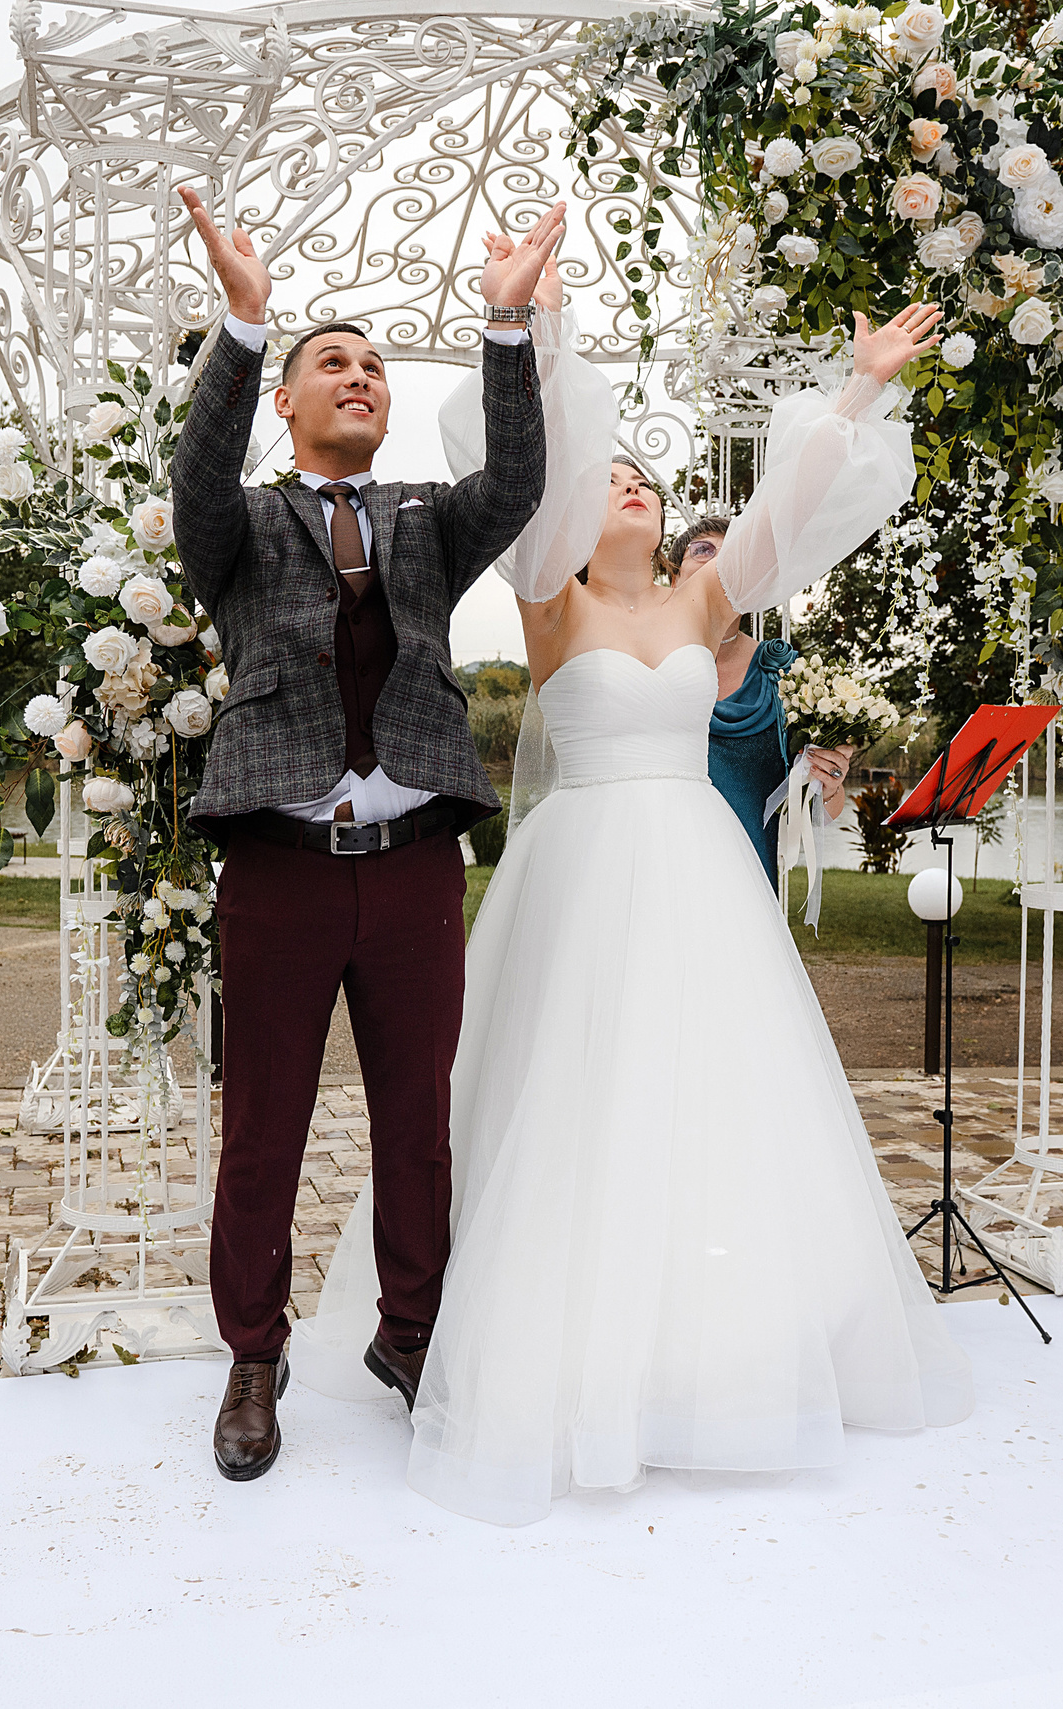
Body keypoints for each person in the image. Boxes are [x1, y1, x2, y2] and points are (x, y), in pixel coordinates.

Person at [298, 265, 970, 1526]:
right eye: (613, 475)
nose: (632, 487)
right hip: (583, 869)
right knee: (570, 1091)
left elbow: (787, 506)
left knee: (709, 1096)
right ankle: (541, 1345)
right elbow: (529, 475)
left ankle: (708, 1357)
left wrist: (855, 392)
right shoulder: (546, 600)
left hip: (696, 870)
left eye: (647, 483)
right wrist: (540, 340)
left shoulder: (703, 598)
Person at [168, 185, 560, 1482]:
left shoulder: (422, 526)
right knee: (262, 1127)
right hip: (276, 871)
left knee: (417, 1124)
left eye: (376, 367)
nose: (360, 377)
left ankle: (412, 1334)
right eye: (331, 363)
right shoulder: (243, 532)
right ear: (286, 401)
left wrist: (505, 329)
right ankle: (252, 1355)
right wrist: (242, 322)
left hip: (409, 874)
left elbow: (515, 480)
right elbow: (193, 481)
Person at [680, 512, 855, 883]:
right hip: (656, 863)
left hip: (747, 879)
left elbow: (819, 809)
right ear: (673, 576)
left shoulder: (785, 674)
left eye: (733, 556)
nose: (718, 563)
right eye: (702, 551)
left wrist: (830, 780)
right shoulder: (643, 663)